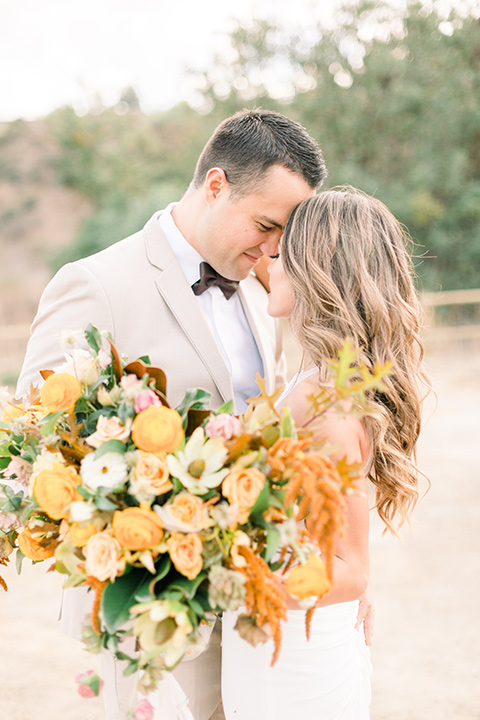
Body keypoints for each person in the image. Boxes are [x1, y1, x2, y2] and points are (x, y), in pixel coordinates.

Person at [16, 109, 326, 720]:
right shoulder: (95, 284)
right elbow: (34, 447)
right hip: (147, 612)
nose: (274, 250)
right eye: (266, 225)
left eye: (284, 236)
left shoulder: (265, 296)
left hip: (249, 605)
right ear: (215, 186)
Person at [221, 187, 428, 719]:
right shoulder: (314, 380)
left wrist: (210, 577)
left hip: (292, 659)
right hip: (290, 636)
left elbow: (350, 570)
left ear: (319, 267)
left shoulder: (327, 400)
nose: (269, 256)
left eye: (283, 247)